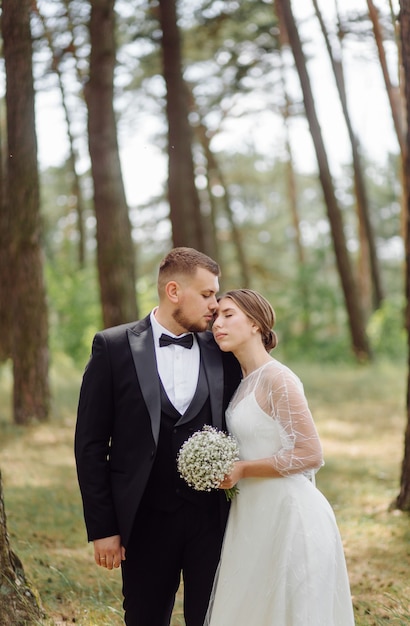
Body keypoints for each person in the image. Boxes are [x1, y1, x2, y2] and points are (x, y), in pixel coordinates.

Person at [74, 247, 242, 626]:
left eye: (216, 294)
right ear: (173, 291)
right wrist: (104, 529)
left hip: (212, 522)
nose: (215, 305)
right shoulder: (113, 347)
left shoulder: (223, 349)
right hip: (144, 523)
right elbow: (90, 445)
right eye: (206, 294)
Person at [206, 288, 355, 626]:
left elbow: (309, 453)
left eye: (229, 315)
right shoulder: (244, 381)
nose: (218, 323)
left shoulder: (278, 378)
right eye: (216, 316)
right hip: (252, 514)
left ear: (256, 323)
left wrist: (243, 468)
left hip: (289, 515)